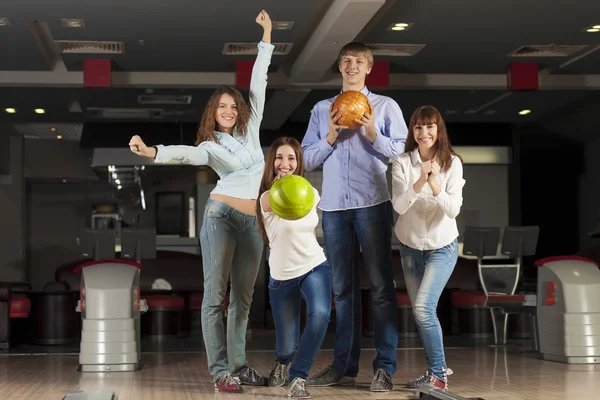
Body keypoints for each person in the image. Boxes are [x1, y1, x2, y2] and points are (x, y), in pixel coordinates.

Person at [128, 10, 274, 393]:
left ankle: (240, 366)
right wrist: (152, 151)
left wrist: (267, 38)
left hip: (253, 221)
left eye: (232, 105)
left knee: (243, 299)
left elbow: (258, 82)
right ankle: (220, 371)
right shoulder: (210, 147)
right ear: (214, 113)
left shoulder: (252, 128)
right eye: (221, 107)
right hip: (221, 216)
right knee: (216, 296)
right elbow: (184, 153)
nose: (228, 110)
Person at [301, 41, 408, 392]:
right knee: (343, 290)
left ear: (368, 68)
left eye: (358, 61)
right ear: (340, 67)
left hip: (372, 203)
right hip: (333, 208)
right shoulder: (322, 110)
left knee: (380, 288)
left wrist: (373, 132)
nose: (351, 66)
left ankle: (384, 367)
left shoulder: (384, 106)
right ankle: (343, 366)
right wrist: (330, 136)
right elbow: (305, 160)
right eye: (346, 61)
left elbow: (402, 151)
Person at [391, 105, 465, 391]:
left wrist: (434, 182)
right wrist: (420, 178)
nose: (424, 133)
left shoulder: (452, 163)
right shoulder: (401, 162)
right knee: (421, 313)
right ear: (413, 131)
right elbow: (399, 205)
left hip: (441, 246)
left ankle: (439, 375)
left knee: (423, 308)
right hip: (409, 246)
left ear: (439, 129)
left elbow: (453, 209)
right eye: (418, 127)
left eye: (430, 126)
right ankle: (434, 370)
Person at [255, 136, 332, 399]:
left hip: (313, 265)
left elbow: (309, 231)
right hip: (282, 275)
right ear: (272, 162)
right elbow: (276, 203)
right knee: (287, 344)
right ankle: (283, 360)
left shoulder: (311, 193)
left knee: (321, 314)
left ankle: (299, 377)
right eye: (279, 157)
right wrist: (280, 189)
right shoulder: (266, 197)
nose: (285, 163)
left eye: (291, 158)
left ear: (298, 163)